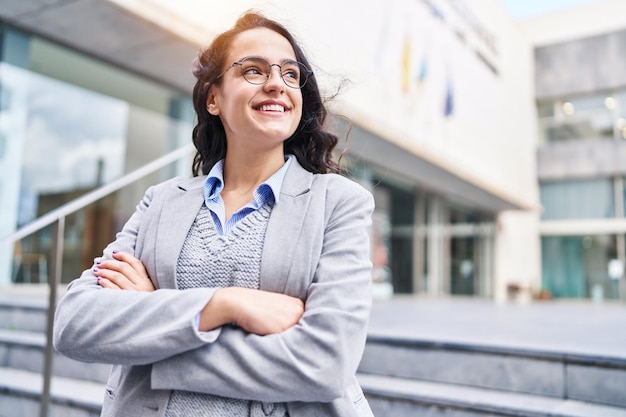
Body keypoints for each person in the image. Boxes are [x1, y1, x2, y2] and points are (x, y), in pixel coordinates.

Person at [54, 10, 375, 417]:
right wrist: (224, 304)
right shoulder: (162, 201)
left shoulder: (339, 202)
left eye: (290, 74)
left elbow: (323, 362)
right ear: (213, 97)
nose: (277, 83)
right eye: (253, 71)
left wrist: (156, 325)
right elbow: (74, 323)